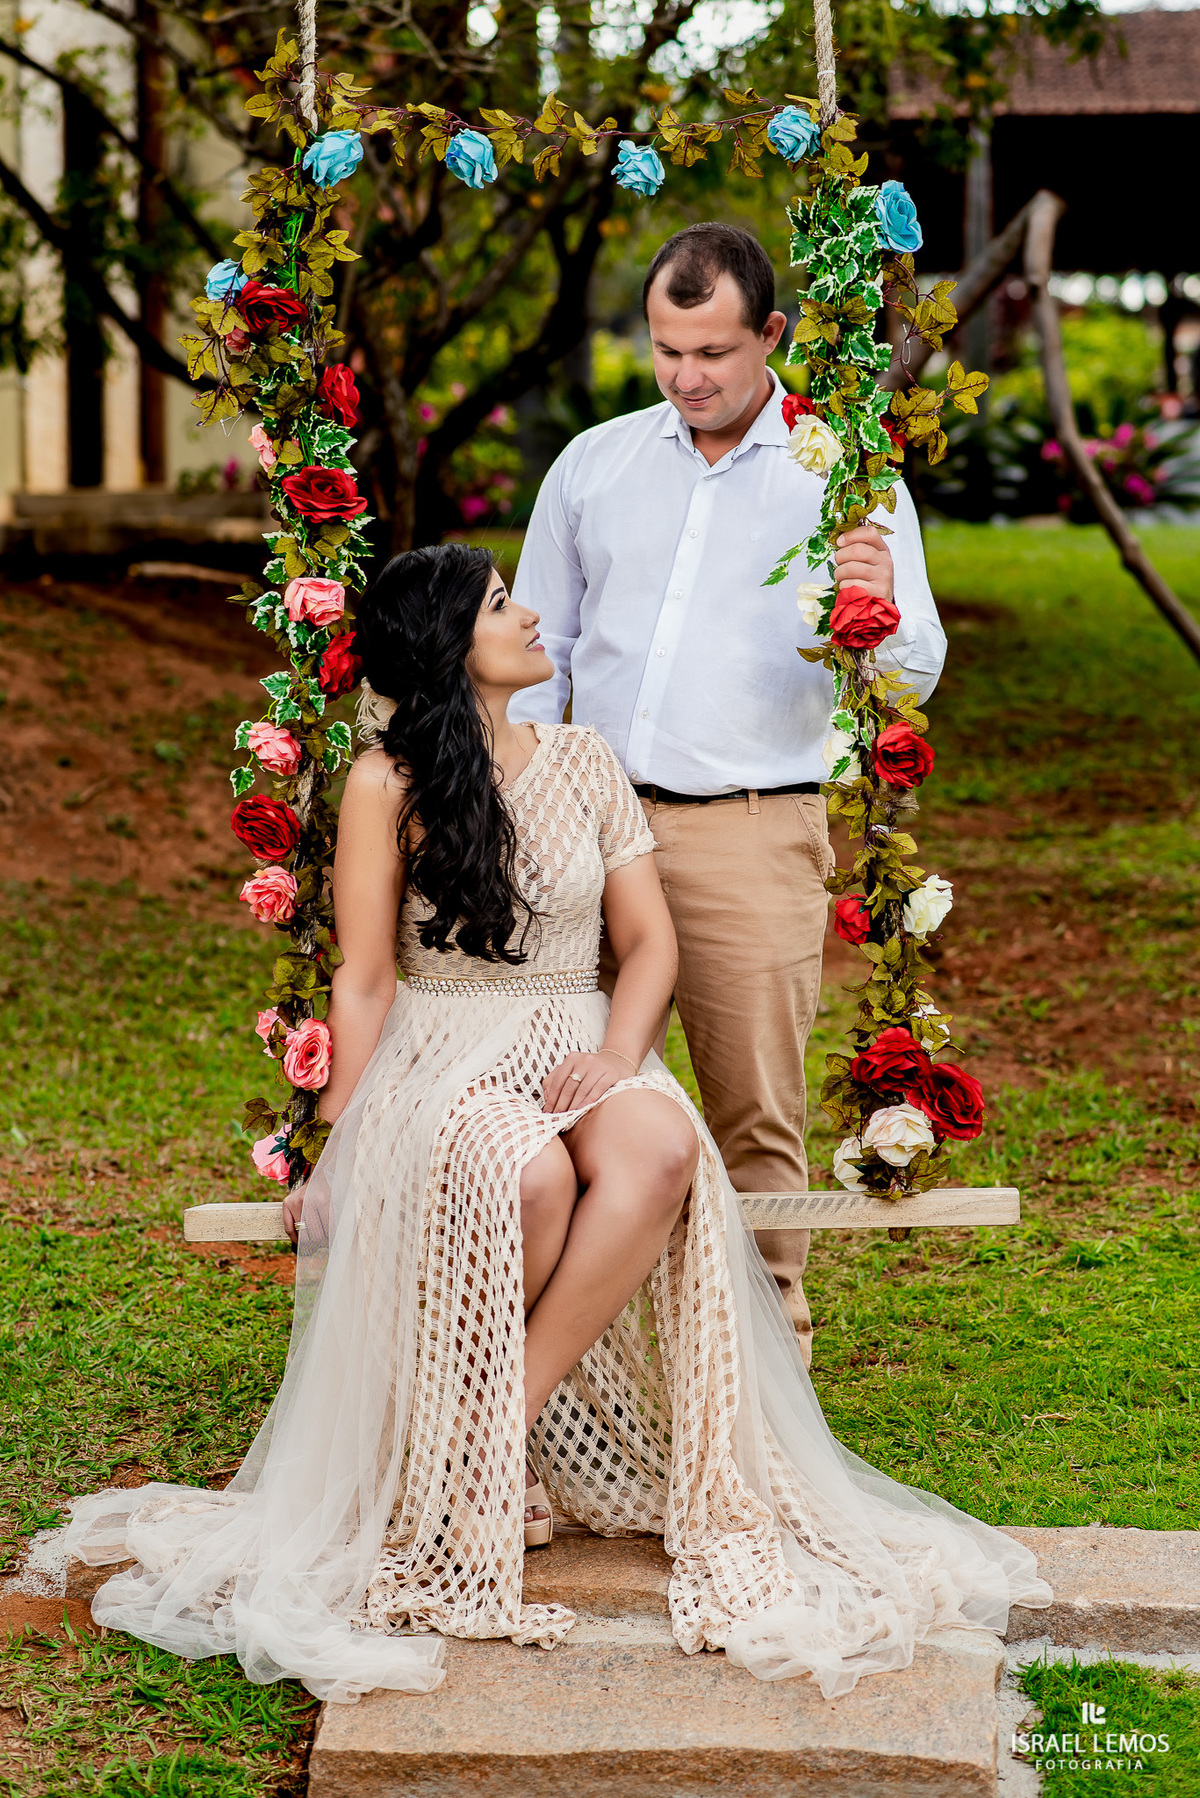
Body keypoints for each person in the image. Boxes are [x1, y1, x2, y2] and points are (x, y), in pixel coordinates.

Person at [63, 543, 1049, 1706]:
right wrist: (334, 1143)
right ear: (449, 645)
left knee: (660, 1147)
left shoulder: (584, 760)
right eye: (499, 604)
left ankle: (491, 1430)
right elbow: (366, 978)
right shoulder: (386, 783)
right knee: (525, 1174)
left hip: (580, 1030)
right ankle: (492, 1450)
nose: (530, 614)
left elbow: (650, 944)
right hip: (446, 1050)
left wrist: (619, 1056)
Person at [510, 222, 947, 1365]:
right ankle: (584, 1365)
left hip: (750, 830)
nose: (688, 376)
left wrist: (877, 603)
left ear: (773, 333)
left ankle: (765, 1361)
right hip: (588, 825)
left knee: (754, 1109)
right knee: (558, 1090)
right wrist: (527, 810)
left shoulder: (845, 476)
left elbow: (915, 674)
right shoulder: (593, 466)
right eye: (668, 350)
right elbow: (538, 658)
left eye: (712, 351)